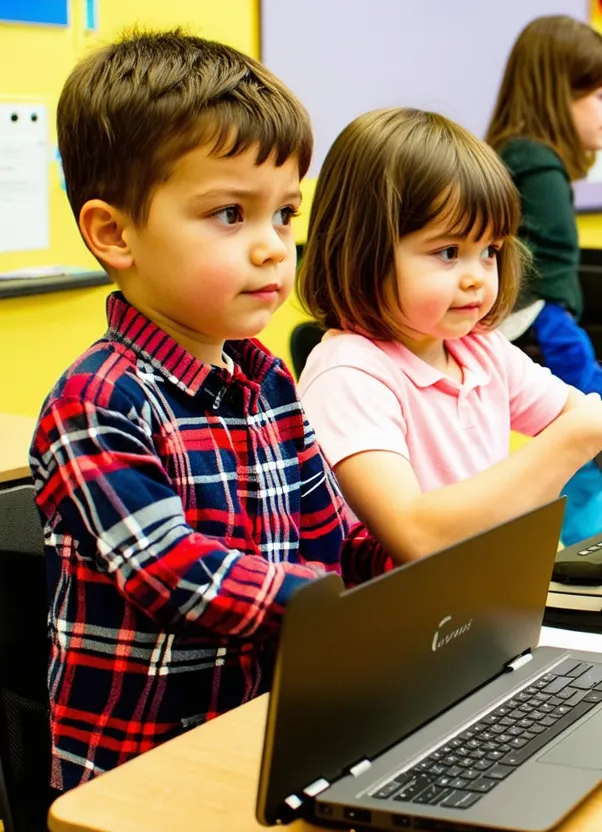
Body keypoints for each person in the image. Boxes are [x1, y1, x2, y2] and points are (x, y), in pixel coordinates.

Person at [29, 30, 407, 792]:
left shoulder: (267, 380)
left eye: (285, 215)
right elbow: (175, 573)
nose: (272, 248)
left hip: (274, 739)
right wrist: (345, 609)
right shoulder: (97, 400)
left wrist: (419, 570)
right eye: (231, 214)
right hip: (145, 776)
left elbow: (331, 530)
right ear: (114, 233)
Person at [295, 108, 602, 559]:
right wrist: (567, 442)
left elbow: (578, 415)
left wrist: (576, 433)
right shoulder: (349, 374)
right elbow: (415, 534)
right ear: (364, 249)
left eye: (489, 250)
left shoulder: (478, 349)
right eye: (449, 252)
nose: (477, 278)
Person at [486, 15, 602, 540]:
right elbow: (537, 285)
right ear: (558, 95)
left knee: (599, 440)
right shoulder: (536, 162)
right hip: (544, 334)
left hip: (543, 333)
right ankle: (575, 545)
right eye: (600, 94)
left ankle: (574, 540)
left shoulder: (515, 153)